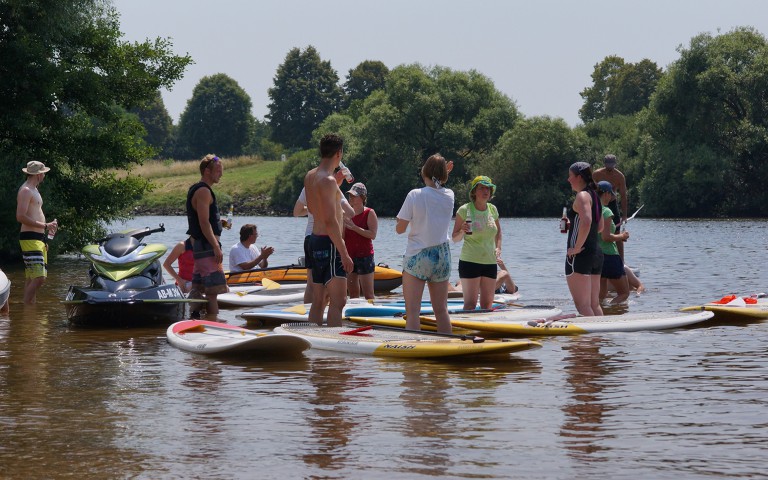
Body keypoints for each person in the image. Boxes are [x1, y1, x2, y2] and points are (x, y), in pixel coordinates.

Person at [396, 153, 455, 334]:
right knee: (441, 310)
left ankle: (412, 356)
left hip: (419, 255)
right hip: (443, 256)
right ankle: (448, 347)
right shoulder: (450, 195)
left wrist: (401, 220)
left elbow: (400, 229)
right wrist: (444, 172)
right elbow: (438, 187)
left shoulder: (414, 195)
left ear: (424, 172)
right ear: (444, 174)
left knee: (413, 312)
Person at [304, 133, 353, 327]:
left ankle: (313, 343)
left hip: (314, 239)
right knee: (338, 301)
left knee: (319, 300)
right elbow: (331, 220)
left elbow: (315, 207)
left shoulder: (310, 176)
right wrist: (344, 252)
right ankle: (335, 354)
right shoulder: (328, 181)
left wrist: (336, 186)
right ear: (339, 153)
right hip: (330, 242)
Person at [294, 167, 354, 304]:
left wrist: (312, 210)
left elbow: (296, 212)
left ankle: (308, 315)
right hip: (327, 237)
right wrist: (339, 212)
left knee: (311, 283)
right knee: (329, 284)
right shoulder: (333, 188)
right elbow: (350, 213)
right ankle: (328, 314)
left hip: (309, 238)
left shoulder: (308, 188)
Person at [186, 154, 228, 318]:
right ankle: (215, 325)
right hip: (207, 248)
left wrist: (218, 221)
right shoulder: (203, 191)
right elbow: (203, 223)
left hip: (200, 247)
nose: (221, 174)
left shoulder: (197, 189)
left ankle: (194, 319)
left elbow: (204, 219)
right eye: (218, 170)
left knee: (198, 289)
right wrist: (216, 246)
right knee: (213, 292)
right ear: (206, 171)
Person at [452, 175, 502, 310]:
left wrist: (498, 248)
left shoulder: (493, 209)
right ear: (474, 191)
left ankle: (485, 330)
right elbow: (454, 238)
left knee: (487, 305)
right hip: (470, 262)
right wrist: (462, 231)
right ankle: (465, 329)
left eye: (488, 188)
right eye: (481, 188)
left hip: (490, 262)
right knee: (470, 304)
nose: (485, 191)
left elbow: (498, 233)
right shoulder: (464, 210)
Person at [565, 161, 604, 316]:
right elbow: (599, 227)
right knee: (594, 305)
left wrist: (576, 247)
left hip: (579, 255)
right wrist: (574, 224)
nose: (568, 180)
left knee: (583, 306)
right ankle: (600, 339)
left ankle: (588, 341)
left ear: (579, 177)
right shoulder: (595, 196)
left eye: (570, 176)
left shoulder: (582, 196)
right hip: (596, 253)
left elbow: (587, 222)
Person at [16, 161, 58, 304]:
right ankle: (25, 308)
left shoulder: (34, 189)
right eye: (44, 173)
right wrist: (45, 225)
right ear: (39, 175)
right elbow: (20, 216)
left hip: (38, 238)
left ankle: (29, 317)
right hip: (29, 238)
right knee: (40, 278)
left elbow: (35, 213)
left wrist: (45, 235)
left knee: (33, 277)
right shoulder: (26, 190)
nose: (44, 175)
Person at [596, 181, 631, 305]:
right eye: (610, 194)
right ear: (605, 194)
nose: (611, 197)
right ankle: (611, 309)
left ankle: (601, 316)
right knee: (624, 293)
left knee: (601, 296)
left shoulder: (592, 210)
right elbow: (606, 237)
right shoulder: (606, 212)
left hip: (597, 257)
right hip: (610, 255)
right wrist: (622, 236)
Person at [344, 182, 378, 300]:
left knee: (369, 295)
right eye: (350, 195)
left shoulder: (369, 213)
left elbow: (372, 235)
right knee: (353, 295)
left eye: (354, 195)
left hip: (365, 256)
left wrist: (354, 227)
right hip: (349, 257)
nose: (351, 198)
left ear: (362, 198)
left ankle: (372, 316)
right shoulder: (345, 214)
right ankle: (354, 317)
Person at [592, 154, 628, 259]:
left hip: (612, 203)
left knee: (617, 231)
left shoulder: (619, 176)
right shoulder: (597, 174)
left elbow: (623, 196)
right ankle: (596, 255)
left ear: (615, 165)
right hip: (599, 204)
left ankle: (621, 261)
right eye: (608, 166)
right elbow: (591, 190)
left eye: (611, 167)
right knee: (596, 230)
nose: (610, 169)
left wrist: (624, 216)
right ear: (604, 164)